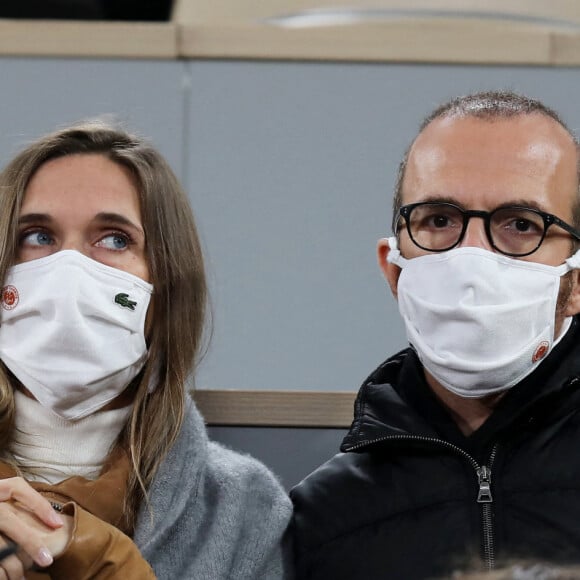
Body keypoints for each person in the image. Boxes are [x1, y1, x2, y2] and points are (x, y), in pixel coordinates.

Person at [291, 90, 580, 579]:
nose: (471, 260)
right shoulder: (320, 520)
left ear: (576, 283)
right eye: (439, 220)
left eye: (520, 224)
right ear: (394, 270)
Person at [0, 120, 292, 579]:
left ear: (167, 284)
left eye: (114, 239)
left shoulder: (238, 507)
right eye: (37, 236)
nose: (69, 269)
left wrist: (97, 555)